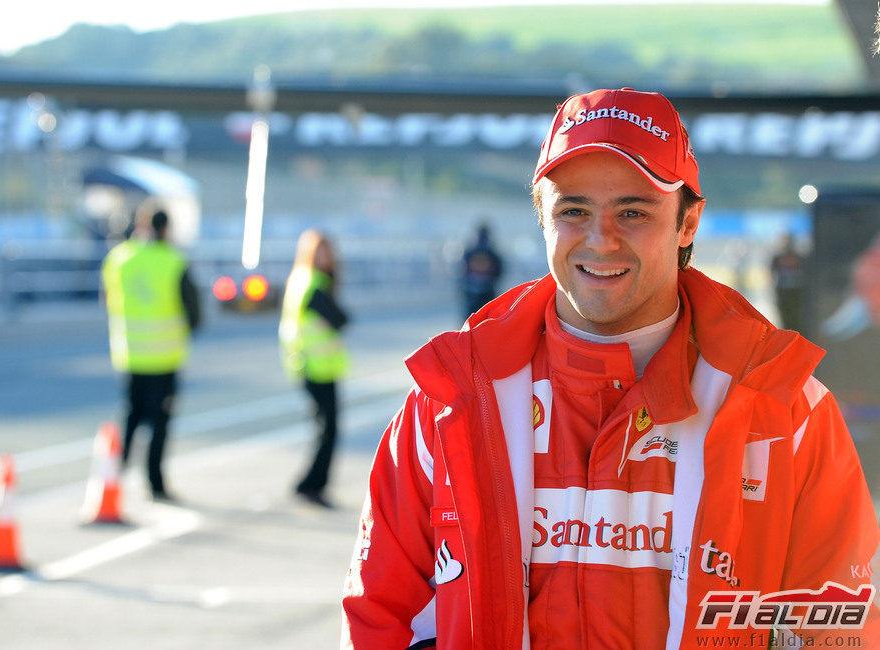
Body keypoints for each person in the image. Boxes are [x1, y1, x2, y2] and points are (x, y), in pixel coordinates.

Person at [341, 88, 879, 648]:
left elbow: (843, 627)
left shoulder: (786, 409)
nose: (602, 239)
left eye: (633, 211)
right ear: (542, 218)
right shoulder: (448, 403)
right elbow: (379, 617)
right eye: (573, 210)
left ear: (688, 222)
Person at [101, 204, 201, 501]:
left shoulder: (119, 258)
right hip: (165, 356)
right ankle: (154, 481)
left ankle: (115, 474)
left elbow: (107, 299)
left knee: (131, 415)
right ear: (166, 228)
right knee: (159, 422)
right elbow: (194, 313)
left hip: (130, 353)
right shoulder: (173, 260)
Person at [279, 229, 350, 508]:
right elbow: (340, 318)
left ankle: (308, 483)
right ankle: (312, 484)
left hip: (306, 364)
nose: (327, 257)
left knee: (324, 430)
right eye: (321, 251)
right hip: (319, 367)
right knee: (328, 431)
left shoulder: (299, 279)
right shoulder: (315, 284)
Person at [459, 222, 504, 318]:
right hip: (487, 290)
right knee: (487, 317)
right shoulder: (492, 252)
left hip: (472, 290)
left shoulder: (470, 251)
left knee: (470, 319)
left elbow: (462, 270)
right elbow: (499, 271)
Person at [769, 232, 806, 332]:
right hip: (783, 291)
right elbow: (772, 272)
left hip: (795, 291)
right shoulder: (778, 258)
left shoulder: (799, 258)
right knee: (785, 315)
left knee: (796, 316)